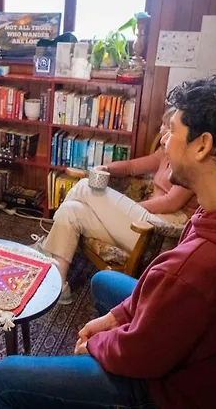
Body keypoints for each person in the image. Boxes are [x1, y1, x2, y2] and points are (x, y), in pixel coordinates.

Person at [0, 73, 216, 409]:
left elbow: (140, 354)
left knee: (3, 377)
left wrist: (99, 344)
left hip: (170, 390)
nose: (165, 140)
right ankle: (54, 261)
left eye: (172, 130)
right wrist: (116, 317)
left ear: (202, 146)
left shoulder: (192, 270)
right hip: (211, 347)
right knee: (103, 280)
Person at [42, 106, 197, 305]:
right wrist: (105, 167)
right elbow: (131, 167)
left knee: (84, 186)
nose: (160, 131)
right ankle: (60, 286)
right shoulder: (164, 155)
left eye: (167, 127)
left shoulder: (190, 165)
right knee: (70, 210)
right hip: (141, 220)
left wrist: (130, 207)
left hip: (158, 229)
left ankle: (46, 247)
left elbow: (171, 202)